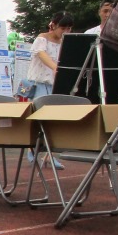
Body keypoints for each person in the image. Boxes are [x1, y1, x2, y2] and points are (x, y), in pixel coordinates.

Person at [26, 11, 74, 169]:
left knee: (56, 121)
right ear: (53, 25)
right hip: (39, 83)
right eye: (63, 28)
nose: (66, 32)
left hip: (55, 85)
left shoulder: (66, 43)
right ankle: (31, 150)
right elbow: (41, 54)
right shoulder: (42, 39)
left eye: (69, 29)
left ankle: (49, 155)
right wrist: (56, 68)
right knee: (37, 119)